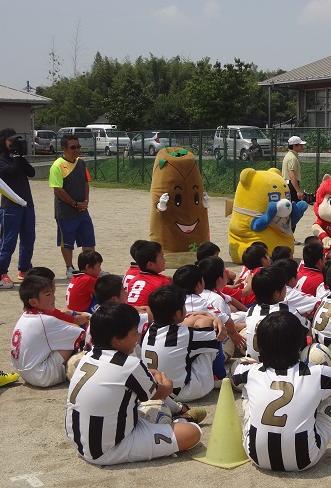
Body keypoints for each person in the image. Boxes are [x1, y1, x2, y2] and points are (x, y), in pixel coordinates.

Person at [66, 302, 202, 465]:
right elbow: (159, 393)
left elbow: (134, 376)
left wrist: (153, 375)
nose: (137, 337)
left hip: (80, 442)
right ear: (117, 340)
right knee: (193, 433)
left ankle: (175, 414)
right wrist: (167, 382)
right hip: (110, 449)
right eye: (134, 333)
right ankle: (180, 419)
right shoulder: (129, 365)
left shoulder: (87, 357)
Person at [232, 312, 331, 471]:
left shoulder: (251, 372)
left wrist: (258, 363)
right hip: (305, 459)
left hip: (256, 457)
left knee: (247, 391)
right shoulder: (316, 373)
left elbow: (236, 372)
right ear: (299, 344)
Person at [141, 285, 225, 402]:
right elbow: (221, 335)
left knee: (195, 325)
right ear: (178, 313)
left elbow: (185, 324)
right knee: (205, 326)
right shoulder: (185, 335)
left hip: (156, 389)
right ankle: (219, 376)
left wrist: (197, 317)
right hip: (182, 393)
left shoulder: (151, 328)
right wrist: (211, 317)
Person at [10, 276, 85, 387]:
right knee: (69, 337)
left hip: (25, 373)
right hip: (42, 376)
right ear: (33, 302)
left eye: (52, 293)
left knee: (62, 334)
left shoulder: (25, 316)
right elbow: (80, 333)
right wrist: (75, 322)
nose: (53, 298)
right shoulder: (45, 320)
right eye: (48, 295)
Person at [49, 134, 96, 279]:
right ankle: (69, 268)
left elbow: (85, 183)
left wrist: (85, 201)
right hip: (66, 212)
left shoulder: (81, 163)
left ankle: (90, 267)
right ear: (64, 149)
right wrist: (75, 204)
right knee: (67, 242)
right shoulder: (57, 165)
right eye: (73, 147)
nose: (76, 150)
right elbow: (58, 190)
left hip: (82, 210)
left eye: (78, 147)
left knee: (88, 240)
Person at [0, 128, 36, 284]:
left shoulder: (18, 157)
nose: (14, 143)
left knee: (28, 239)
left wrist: (20, 155)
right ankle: (0, 271)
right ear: (3, 142)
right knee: (8, 240)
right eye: (11, 140)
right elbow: (11, 172)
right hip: (10, 206)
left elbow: (31, 172)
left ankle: (24, 268)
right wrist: (16, 157)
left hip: (27, 205)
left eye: (16, 140)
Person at [126, 241, 170, 307]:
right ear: (150, 264)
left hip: (129, 313)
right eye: (162, 257)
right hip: (146, 315)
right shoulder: (162, 283)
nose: (164, 260)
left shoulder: (133, 281)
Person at [281, 135, 306, 234]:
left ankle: (288, 232)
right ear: (295, 146)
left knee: (289, 209)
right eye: (300, 145)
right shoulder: (292, 158)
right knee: (295, 210)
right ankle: (290, 233)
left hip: (286, 184)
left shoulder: (288, 155)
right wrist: (298, 190)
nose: (302, 147)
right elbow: (292, 174)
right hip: (291, 185)